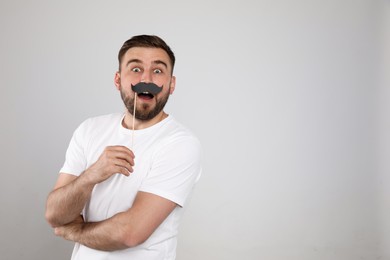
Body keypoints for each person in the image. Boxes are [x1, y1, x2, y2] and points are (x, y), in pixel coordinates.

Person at [45, 35, 202, 260]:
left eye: (158, 71)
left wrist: (75, 230)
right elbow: (54, 214)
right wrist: (91, 175)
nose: (146, 79)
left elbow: (130, 233)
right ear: (118, 80)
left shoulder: (181, 144)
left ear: (171, 84)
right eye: (136, 69)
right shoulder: (90, 129)